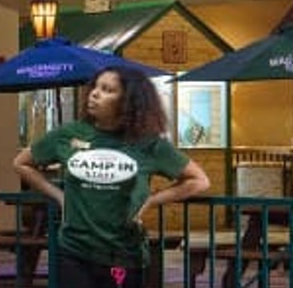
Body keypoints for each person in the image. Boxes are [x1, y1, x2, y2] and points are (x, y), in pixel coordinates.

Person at [13, 67, 211, 288]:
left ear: (128, 101)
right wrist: (60, 196)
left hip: (123, 253)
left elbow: (199, 181)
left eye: (108, 90)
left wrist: (153, 200)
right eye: (95, 87)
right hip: (73, 249)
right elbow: (22, 163)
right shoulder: (69, 134)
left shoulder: (148, 143)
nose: (95, 94)